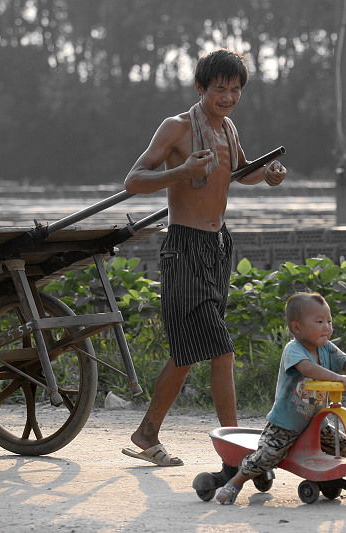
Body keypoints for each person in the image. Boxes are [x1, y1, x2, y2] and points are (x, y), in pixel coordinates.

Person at [120, 48, 287, 467]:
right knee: (221, 350)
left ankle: (146, 433)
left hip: (217, 247)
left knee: (190, 349)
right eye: (219, 89)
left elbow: (239, 171)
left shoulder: (227, 127)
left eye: (235, 90)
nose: (228, 97)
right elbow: (134, 180)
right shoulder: (176, 128)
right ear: (200, 88)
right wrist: (180, 172)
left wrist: (266, 176)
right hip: (185, 247)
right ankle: (238, 453)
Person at [215, 292, 346, 504]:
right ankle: (235, 483)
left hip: (317, 423)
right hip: (286, 423)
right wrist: (337, 378)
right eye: (319, 321)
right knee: (268, 455)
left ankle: (327, 477)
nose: (327, 327)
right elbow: (308, 368)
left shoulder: (326, 347)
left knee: (343, 445)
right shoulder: (293, 350)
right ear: (297, 327)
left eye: (329, 321)